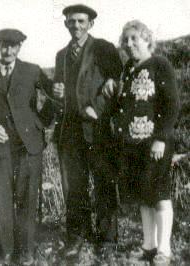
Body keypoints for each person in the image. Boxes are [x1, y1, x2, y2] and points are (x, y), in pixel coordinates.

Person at [0, 29, 53, 266]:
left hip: (28, 145)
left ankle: (27, 251)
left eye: (13, 46)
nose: (8, 50)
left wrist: (41, 123)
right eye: (3, 45)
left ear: (20, 48)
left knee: (28, 198)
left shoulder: (32, 70)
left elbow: (55, 96)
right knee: (3, 198)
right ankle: (6, 251)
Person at [52, 4, 123, 256]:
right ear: (65, 24)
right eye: (71, 22)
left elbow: (116, 83)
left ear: (90, 23)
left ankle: (107, 239)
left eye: (81, 21)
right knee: (75, 187)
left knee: (104, 182)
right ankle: (77, 236)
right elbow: (60, 93)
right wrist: (56, 92)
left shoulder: (104, 48)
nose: (76, 26)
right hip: (71, 131)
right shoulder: (61, 55)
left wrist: (97, 108)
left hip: (99, 128)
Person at [108, 20, 180, 265]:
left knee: (159, 195)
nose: (129, 45)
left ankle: (164, 251)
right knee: (143, 195)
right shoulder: (128, 68)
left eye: (134, 39)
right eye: (125, 40)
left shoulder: (160, 64)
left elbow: (172, 105)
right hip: (132, 144)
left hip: (155, 143)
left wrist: (161, 139)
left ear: (147, 39)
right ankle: (148, 246)